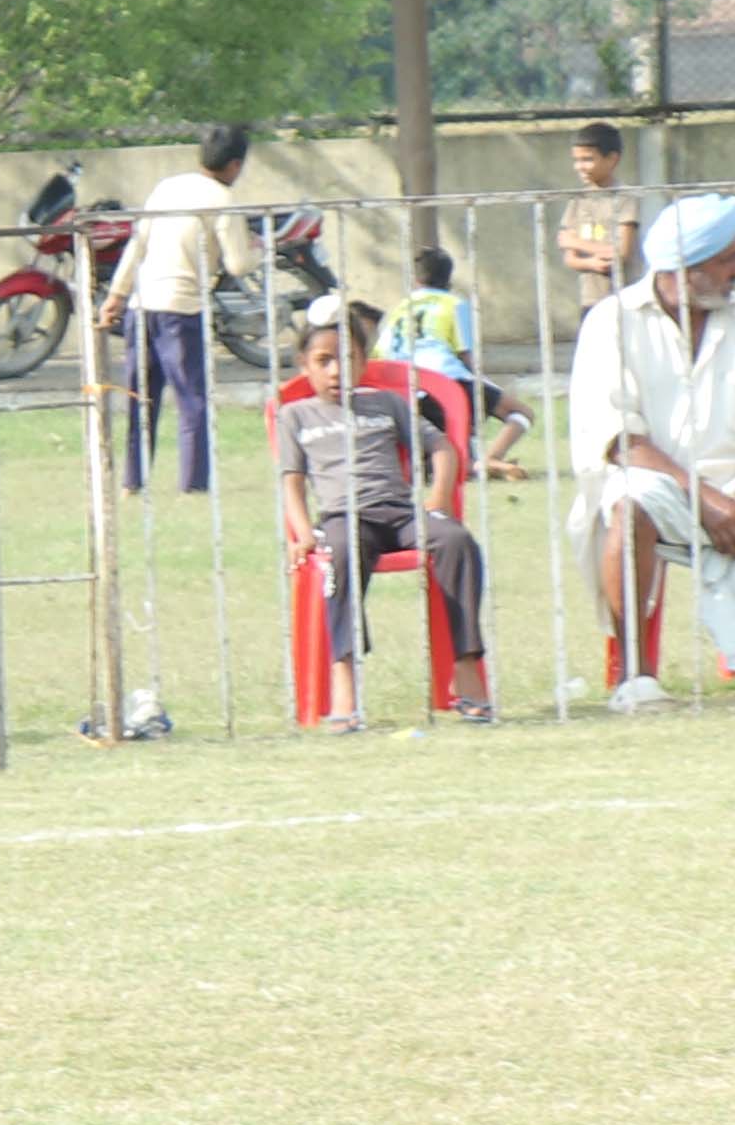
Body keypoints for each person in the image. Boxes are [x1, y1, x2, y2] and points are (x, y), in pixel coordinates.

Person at [566, 191, 735, 709]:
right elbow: (620, 439)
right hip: (662, 486)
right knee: (629, 502)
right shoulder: (612, 321)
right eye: (726, 259)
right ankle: (635, 677)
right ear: (683, 271)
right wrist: (705, 499)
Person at [272, 295, 488, 722]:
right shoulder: (295, 415)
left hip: (400, 514)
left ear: (363, 361)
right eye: (323, 361)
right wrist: (301, 533)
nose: (336, 371)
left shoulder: (387, 404)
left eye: (347, 358)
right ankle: (345, 679)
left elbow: (442, 447)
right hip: (345, 518)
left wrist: (439, 499)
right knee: (342, 553)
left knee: (456, 541)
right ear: (304, 365)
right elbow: (291, 480)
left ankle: (465, 667)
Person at [117, 122, 254, 492]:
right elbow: (238, 265)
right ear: (236, 165)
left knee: (140, 400)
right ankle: (193, 485)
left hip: (141, 305)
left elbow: (138, 245)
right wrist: (258, 249)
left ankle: (132, 482)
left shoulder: (167, 188)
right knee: (192, 400)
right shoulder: (223, 200)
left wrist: (115, 296)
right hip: (181, 310)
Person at [374, 246, 534, 476]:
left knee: (438, 445)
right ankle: (491, 459)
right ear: (449, 278)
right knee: (521, 412)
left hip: (403, 387)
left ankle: (471, 464)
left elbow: (380, 354)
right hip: (445, 380)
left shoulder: (399, 308)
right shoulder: (454, 304)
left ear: (415, 279)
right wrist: (482, 388)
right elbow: (465, 355)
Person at [552, 118, 641, 323]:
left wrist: (577, 243)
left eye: (587, 159)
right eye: (576, 160)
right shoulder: (578, 199)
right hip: (591, 299)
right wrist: (591, 263)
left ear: (612, 159)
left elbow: (621, 252)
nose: (580, 167)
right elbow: (569, 256)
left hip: (624, 296)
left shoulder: (624, 197)